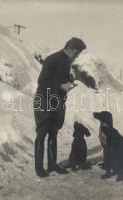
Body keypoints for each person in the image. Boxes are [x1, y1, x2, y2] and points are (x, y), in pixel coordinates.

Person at [33, 37, 86, 177]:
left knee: (54, 132)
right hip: (43, 101)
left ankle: (52, 164)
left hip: (57, 101)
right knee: (42, 133)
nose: (76, 56)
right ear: (68, 48)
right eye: (75, 52)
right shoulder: (52, 59)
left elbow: (57, 80)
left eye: (78, 54)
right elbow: (42, 81)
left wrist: (68, 83)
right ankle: (39, 167)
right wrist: (60, 86)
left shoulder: (66, 61)